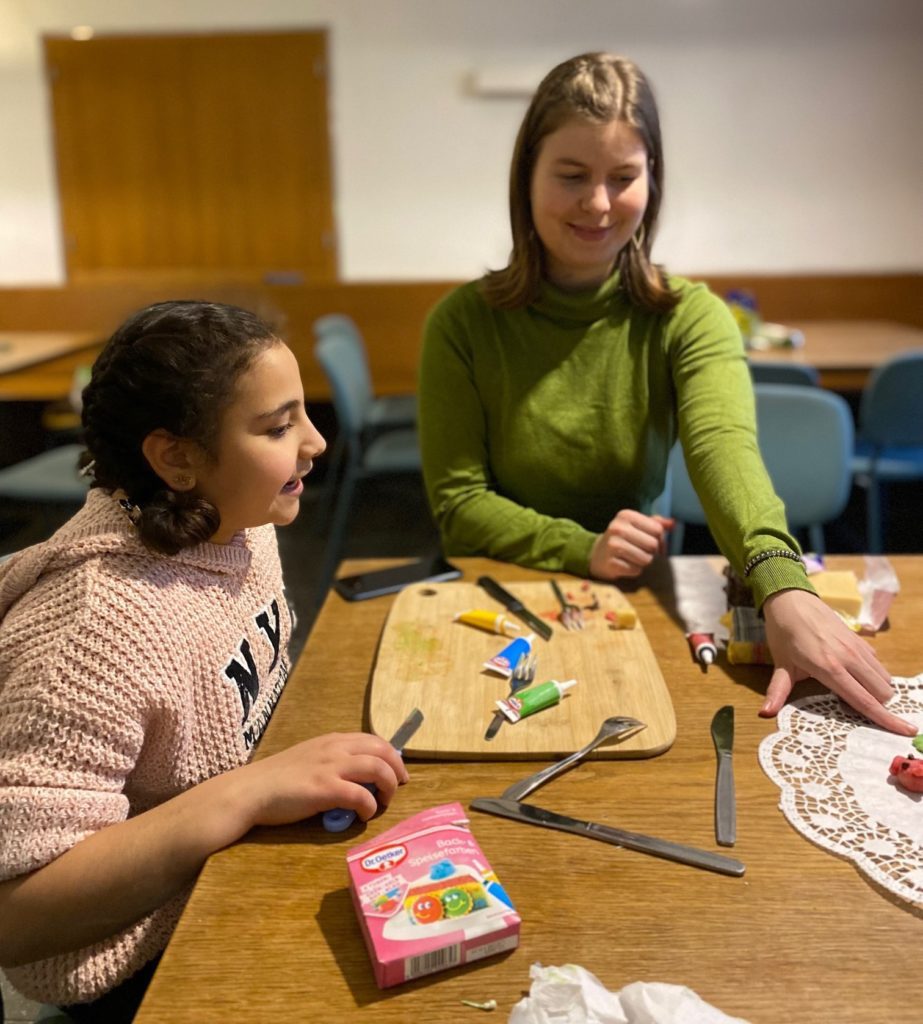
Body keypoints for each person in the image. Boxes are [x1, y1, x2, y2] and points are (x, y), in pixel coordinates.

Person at [418, 52, 914, 738]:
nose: (597, 203)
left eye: (622, 178)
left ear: (652, 181)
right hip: (499, 602)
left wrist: (782, 582)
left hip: (631, 606)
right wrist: (580, 547)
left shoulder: (689, 315)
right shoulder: (461, 324)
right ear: (524, 178)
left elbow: (723, 451)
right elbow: (458, 506)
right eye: (570, 176)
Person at [0, 301, 409, 1020]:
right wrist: (245, 794)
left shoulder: (237, 523)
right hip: (151, 973)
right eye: (278, 427)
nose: (315, 442)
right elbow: (17, 915)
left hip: (227, 878)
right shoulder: (93, 629)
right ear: (176, 458)